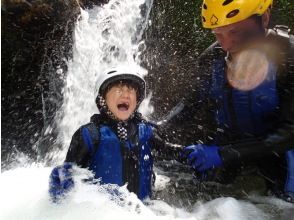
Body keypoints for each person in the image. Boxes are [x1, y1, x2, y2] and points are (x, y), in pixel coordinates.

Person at [164, 0, 294, 202]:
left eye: (234, 32)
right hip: (230, 154)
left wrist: (224, 154)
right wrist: (157, 130)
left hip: (280, 158)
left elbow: (290, 133)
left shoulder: (289, 55)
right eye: (218, 34)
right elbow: (188, 106)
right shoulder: (213, 58)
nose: (225, 43)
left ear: (264, 18)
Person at [48, 67, 182, 202]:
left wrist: (191, 154)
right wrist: (62, 180)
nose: (126, 95)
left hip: (144, 212)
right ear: (102, 99)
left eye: (131, 90)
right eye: (119, 89)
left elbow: (172, 152)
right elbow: (70, 172)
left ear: (137, 101)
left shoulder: (147, 132)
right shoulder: (89, 135)